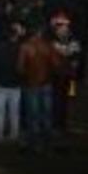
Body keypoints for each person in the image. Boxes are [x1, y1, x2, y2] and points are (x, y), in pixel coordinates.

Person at [18, 20, 58, 153]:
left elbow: (20, 68)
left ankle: (34, 143)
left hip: (31, 85)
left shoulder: (25, 47)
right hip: (46, 84)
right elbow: (56, 64)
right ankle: (47, 141)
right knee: (46, 114)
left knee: (33, 114)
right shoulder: (48, 46)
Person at [0, 19, 24, 144]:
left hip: (1, 84)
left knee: (0, 112)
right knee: (14, 112)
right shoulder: (21, 49)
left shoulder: (0, 48)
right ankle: (14, 134)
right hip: (15, 84)